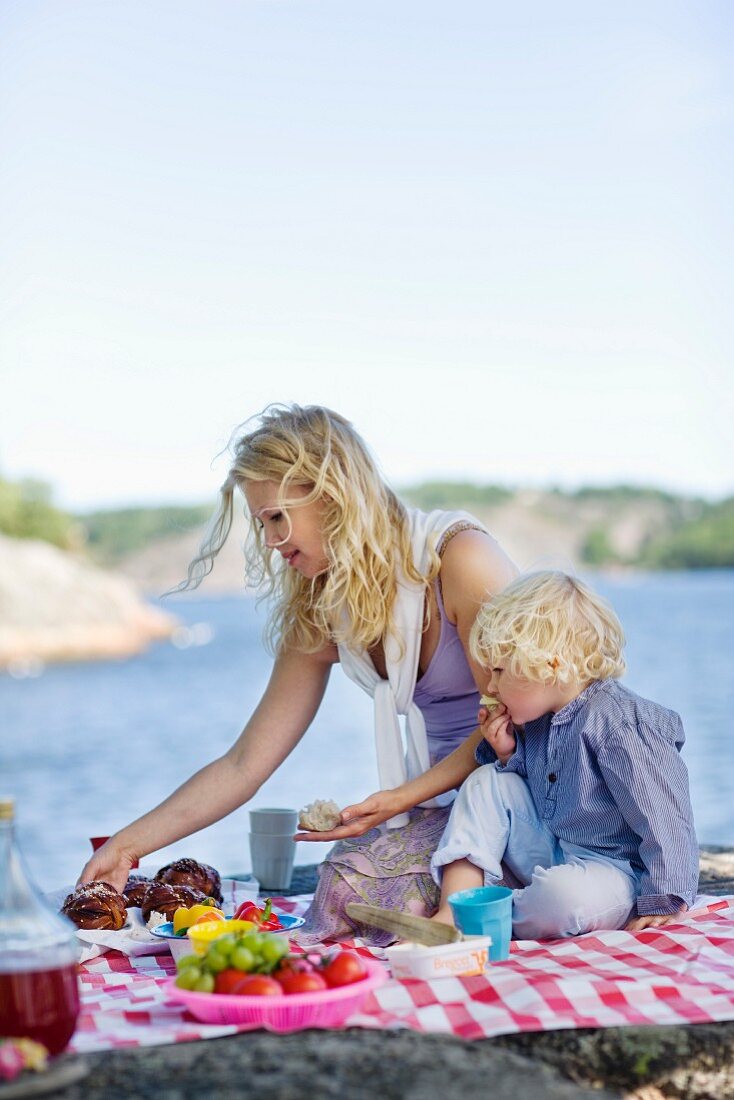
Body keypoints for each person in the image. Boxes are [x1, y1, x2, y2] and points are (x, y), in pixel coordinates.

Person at [80, 404, 516, 942]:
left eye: (276, 517)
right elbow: (244, 763)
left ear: (332, 496)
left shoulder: (460, 559)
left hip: (528, 783)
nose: (268, 540)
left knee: (371, 896)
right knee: (341, 890)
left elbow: (512, 718)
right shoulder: (323, 605)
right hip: (442, 797)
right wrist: (127, 845)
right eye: (261, 522)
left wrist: (400, 799)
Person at [430, 570, 699, 939]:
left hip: (616, 873)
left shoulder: (619, 723)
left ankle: (488, 919)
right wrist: (507, 754)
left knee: (562, 899)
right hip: (556, 846)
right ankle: (453, 908)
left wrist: (664, 900)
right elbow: (541, 787)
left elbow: (666, 818)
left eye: (499, 671)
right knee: (487, 779)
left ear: (550, 666)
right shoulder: (542, 715)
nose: (490, 687)